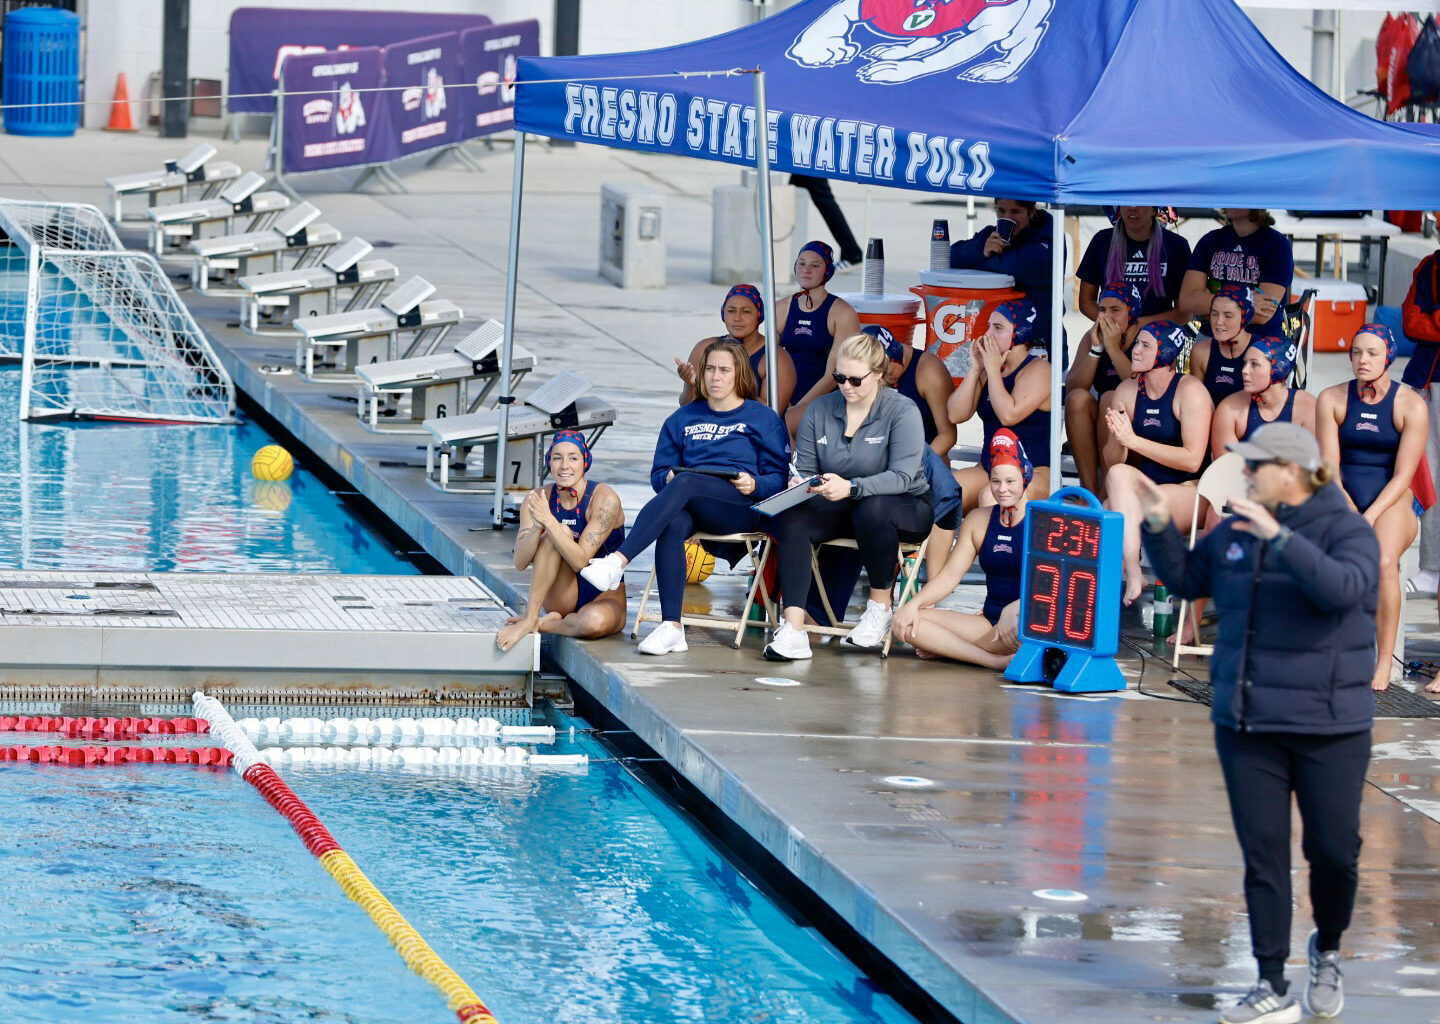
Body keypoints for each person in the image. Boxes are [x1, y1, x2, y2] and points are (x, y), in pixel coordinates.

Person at [1139, 422, 1378, 1024]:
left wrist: (1282, 537)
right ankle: (1270, 981)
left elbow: (1342, 590)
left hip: (1330, 723)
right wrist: (1159, 524)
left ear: (1291, 472)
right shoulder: (1238, 527)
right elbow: (1189, 581)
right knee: (1264, 855)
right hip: (1249, 720)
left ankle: (1327, 947)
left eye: (1254, 465)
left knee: (1334, 854)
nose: (1243, 474)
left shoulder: (1347, 529)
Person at [581, 339, 791, 656]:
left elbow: (780, 478)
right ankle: (671, 627)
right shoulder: (682, 419)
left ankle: (618, 561)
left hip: (741, 506)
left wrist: (755, 483)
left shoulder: (762, 418)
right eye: (709, 369)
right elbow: (658, 475)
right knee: (674, 519)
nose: (714, 377)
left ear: (739, 375)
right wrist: (666, 478)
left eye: (724, 370)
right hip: (694, 504)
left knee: (688, 479)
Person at [764, 330, 931, 661]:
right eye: (839, 377)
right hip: (841, 503)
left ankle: (879, 606)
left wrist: (852, 487)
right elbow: (808, 471)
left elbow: (902, 476)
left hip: (904, 506)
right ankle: (794, 627)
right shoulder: (820, 410)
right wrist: (803, 486)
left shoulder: (902, 410)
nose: (845, 386)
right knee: (792, 518)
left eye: (856, 380)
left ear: (879, 374)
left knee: (872, 508)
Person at [1317, 324, 1428, 692]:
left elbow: (1403, 476)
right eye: (1356, 352)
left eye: (1372, 353)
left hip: (1392, 502)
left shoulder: (1410, 403)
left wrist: (1368, 516)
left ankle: (1381, 663)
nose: (1362, 360)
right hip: (1343, 497)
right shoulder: (1331, 399)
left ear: (1388, 358)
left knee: (1382, 561)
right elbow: (1329, 469)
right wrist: (1350, 511)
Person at [891, 429, 1031, 669]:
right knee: (907, 622)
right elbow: (949, 576)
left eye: (1010, 481)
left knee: (925, 632)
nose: (1002, 489)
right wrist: (912, 605)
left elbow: (1057, 587)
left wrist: (1017, 607)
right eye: (995, 481)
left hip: (1022, 623)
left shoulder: (1042, 522)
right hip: (988, 623)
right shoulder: (979, 520)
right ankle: (991, 661)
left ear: (1025, 479)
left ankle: (951, 647)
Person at [1102, 321, 1214, 604]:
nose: (1135, 350)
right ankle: (1125, 582)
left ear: (1164, 354)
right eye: (1137, 343)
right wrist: (1119, 438)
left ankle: (1128, 574)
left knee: (1110, 513)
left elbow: (1192, 460)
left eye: (1145, 345)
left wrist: (1135, 441)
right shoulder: (1127, 390)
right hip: (1146, 491)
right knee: (1116, 476)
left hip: (1191, 490)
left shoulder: (1190, 391)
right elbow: (1112, 460)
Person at [496, 432, 626, 652]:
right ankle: (531, 616)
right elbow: (520, 562)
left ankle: (546, 624)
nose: (564, 465)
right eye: (557, 458)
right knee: (555, 536)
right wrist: (538, 527)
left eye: (573, 458)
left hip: (604, 596)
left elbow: (580, 561)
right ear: (549, 462)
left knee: (593, 624)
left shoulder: (605, 500)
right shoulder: (537, 498)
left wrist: (549, 521)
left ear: (585, 461)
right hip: (561, 594)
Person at [947, 299, 1052, 510]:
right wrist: (976, 369)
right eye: (988, 326)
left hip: (1032, 471)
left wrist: (993, 371)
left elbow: (1009, 415)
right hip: (988, 469)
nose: (988, 335)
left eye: (998, 328)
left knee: (991, 497)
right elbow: (955, 415)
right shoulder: (988, 371)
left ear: (1019, 334)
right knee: (944, 492)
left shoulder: (1039, 369)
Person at [950, 198, 1061, 351]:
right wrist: (981, 250)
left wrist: (981, 259)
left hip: (1040, 344)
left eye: (1015, 212)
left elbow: (1014, 266)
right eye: (1001, 211)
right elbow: (949, 256)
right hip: (995, 344)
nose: (1007, 217)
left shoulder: (1050, 239)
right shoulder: (991, 234)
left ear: (1031, 212)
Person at [778, 241, 863, 435]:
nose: (806, 270)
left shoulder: (842, 313)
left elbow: (833, 376)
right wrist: (783, 401)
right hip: (784, 395)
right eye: (801, 263)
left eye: (815, 265)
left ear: (827, 271)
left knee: (787, 428)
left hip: (824, 399)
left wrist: (796, 410)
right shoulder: (781, 308)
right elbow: (770, 363)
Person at [1066, 281, 1142, 495]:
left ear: (1132, 311)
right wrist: (1097, 350)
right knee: (1078, 399)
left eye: (1115, 310)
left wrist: (1113, 348)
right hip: (1103, 427)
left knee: (1111, 397)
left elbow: (1141, 386)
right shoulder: (1092, 337)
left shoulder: (1146, 337)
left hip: (1140, 428)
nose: (1106, 317)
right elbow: (1073, 387)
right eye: (1102, 310)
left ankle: (1108, 493)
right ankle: (1089, 493)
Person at [678, 284, 796, 414]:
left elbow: (770, 414)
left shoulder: (776, 358)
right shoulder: (704, 348)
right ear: (723, 314)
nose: (737, 318)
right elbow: (686, 404)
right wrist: (691, 384)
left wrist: (726, 389)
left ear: (759, 315)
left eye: (746, 311)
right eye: (731, 311)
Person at [1179, 209, 1294, 342]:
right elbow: (1187, 301)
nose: (1233, 202)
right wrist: (1247, 301)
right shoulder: (1211, 240)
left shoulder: (1277, 245)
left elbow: (1262, 314)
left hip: (1259, 339)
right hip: (1213, 335)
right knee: (1199, 352)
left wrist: (1209, 303)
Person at [1400, 246, 1440, 597]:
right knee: (1428, 476)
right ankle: (1432, 568)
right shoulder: (1430, 264)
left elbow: (1424, 320)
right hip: (1427, 379)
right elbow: (1411, 322)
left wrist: (1435, 317)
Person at [1075, 206, 1189, 326]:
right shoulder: (1102, 241)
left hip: (1157, 338)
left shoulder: (1176, 246)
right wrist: (1113, 326)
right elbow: (1086, 302)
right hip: (1115, 337)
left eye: (1141, 202)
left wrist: (1136, 326)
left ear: (1154, 209)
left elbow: (1184, 313)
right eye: (1126, 201)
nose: (1132, 207)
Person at [1210, 336, 1314, 458]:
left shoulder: (1308, 408)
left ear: (1279, 369)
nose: (1244, 370)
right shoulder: (1229, 409)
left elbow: (1316, 469)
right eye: (1245, 363)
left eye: (1254, 364)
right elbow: (1226, 468)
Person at [874, 324, 956, 457]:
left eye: (886, 373)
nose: (881, 379)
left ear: (897, 357)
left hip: (922, 460)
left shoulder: (929, 371)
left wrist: (914, 465)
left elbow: (947, 435)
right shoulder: (861, 374)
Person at [1189, 284, 1256, 408]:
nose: (1219, 322)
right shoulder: (1201, 352)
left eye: (1228, 315)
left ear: (1244, 317)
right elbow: (1196, 405)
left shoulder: (1262, 353)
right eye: (1214, 314)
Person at [789, 174, 863, 267]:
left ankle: (853, 253)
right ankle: (783, 255)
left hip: (808, 161)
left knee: (823, 199)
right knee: (791, 196)